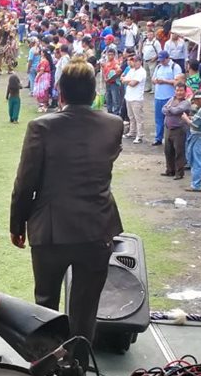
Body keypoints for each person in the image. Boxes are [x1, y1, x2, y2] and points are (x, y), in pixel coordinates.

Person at [10, 59, 124, 350]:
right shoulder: (113, 125)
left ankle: (48, 367)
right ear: (93, 92)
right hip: (97, 228)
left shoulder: (42, 127)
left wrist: (17, 224)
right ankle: (77, 372)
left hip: (51, 230)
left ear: (59, 92)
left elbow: (26, 183)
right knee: (85, 310)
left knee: (46, 304)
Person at [161, 83, 192, 180]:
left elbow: (177, 111)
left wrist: (169, 109)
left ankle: (179, 173)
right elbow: (163, 109)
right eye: (177, 90)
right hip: (168, 128)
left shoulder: (186, 102)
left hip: (179, 129)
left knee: (179, 152)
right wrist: (170, 109)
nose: (179, 92)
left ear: (185, 91)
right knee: (168, 151)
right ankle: (170, 170)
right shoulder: (171, 99)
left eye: (181, 90)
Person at [151, 51, 179, 146]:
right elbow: (153, 79)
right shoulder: (158, 66)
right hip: (158, 96)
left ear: (168, 58)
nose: (161, 62)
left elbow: (177, 81)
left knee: (169, 119)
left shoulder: (174, 67)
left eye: (163, 60)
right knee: (158, 118)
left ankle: (168, 138)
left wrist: (164, 81)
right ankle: (158, 137)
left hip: (169, 96)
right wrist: (156, 81)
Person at [123, 55, 148, 143]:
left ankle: (140, 135)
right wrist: (128, 80)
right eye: (133, 61)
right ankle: (132, 132)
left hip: (137, 98)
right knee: (131, 117)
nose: (134, 62)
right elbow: (123, 79)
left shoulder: (142, 72)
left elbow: (133, 83)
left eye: (136, 61)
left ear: (140, 61)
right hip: (129, 96)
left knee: (138, 118)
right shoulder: (131, 70)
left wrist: (127, 81)